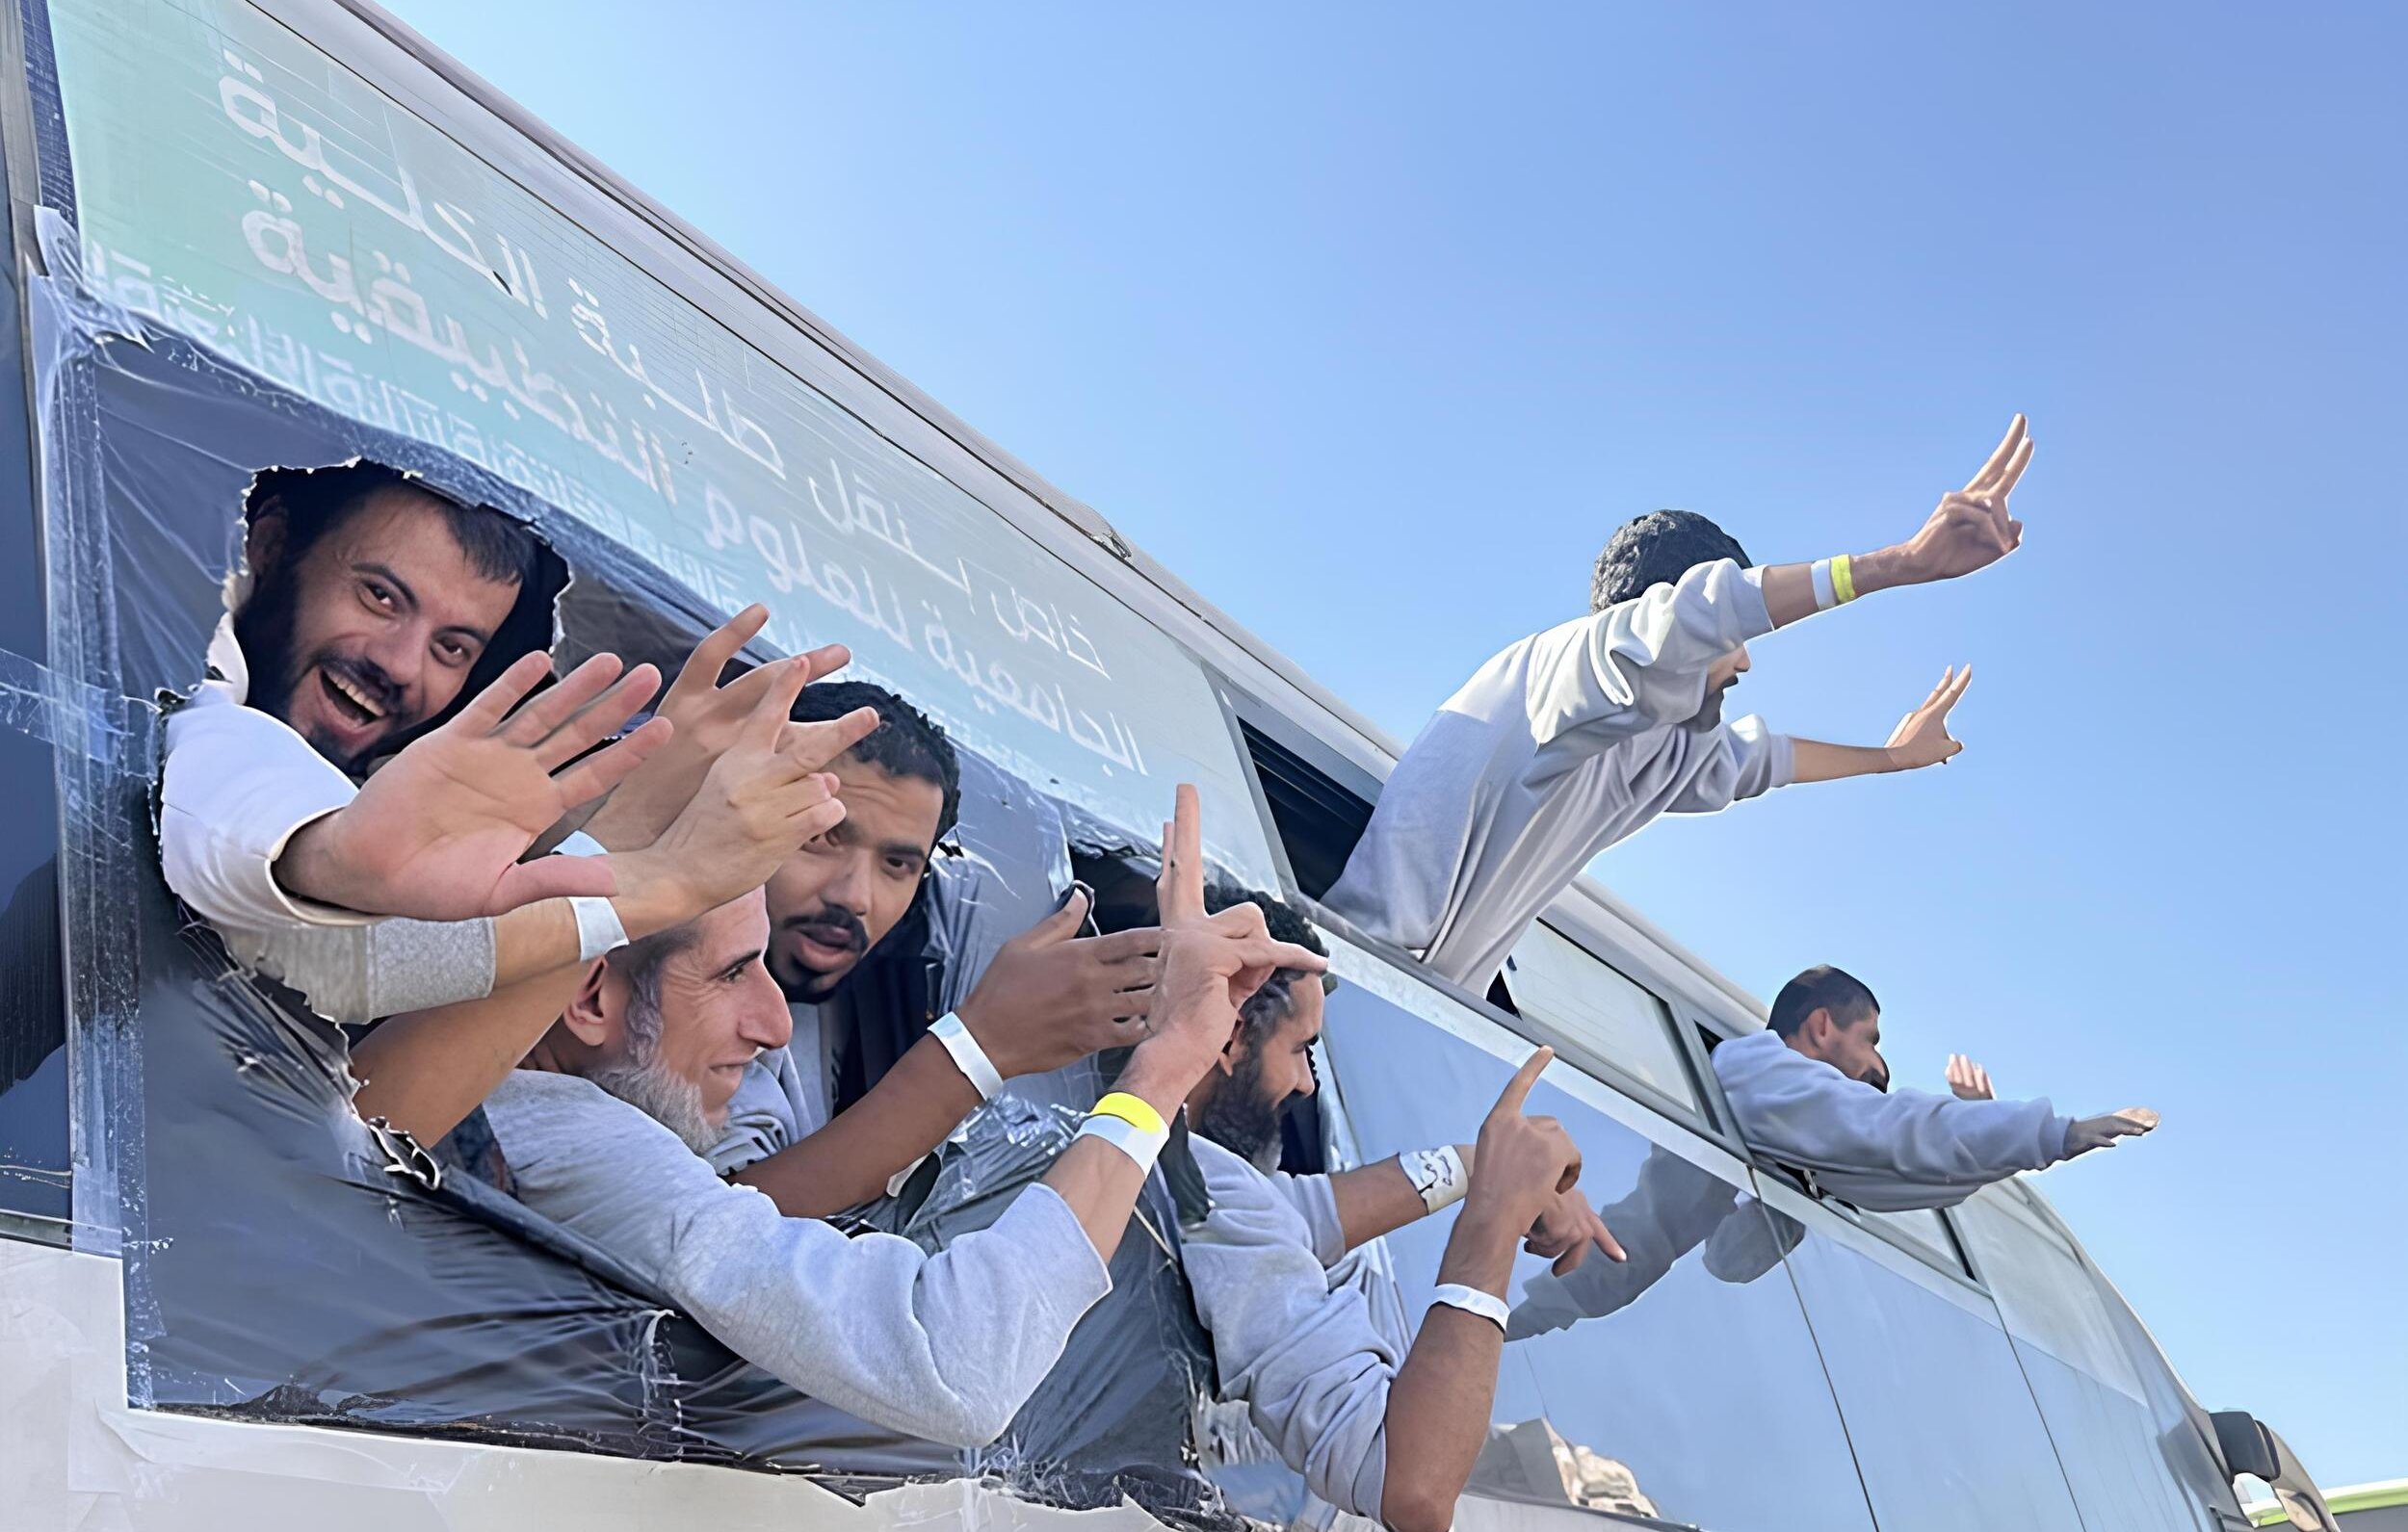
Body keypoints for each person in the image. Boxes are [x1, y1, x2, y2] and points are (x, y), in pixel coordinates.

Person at [474, 785, 1326, 1447]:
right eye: (735, 972)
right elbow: (956, 1361)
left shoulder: (561, 1116)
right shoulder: (574, 1140)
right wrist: (1158, 1075)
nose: (776, 1025)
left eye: (900, 862)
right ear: (589, 995)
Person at [1324, 416, 2039, 989]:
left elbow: (1761, 761)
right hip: (1357, 977)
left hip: (1417, 1003)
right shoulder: (1567, 666)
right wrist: (1899, 564)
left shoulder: (1661, 745)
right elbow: (1694, 617)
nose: (1747, 659)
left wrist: (1890, 758)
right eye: (1734, 639)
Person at [157, 460, 876, 1024]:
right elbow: (329, 931)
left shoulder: (394, 768)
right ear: (273, 546)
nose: (402, 664)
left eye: (453, 647)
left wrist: (653, 796)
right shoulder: (181, 688)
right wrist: (670, 881)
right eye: (380, 597)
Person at [1711, 964, 2159, 1211]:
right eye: (1870, 1041)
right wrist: (2052, 1134)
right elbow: (1892, 1130)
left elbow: (1905, 1182)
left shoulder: (1787, 1126)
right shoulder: (1758, 1069)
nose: (1881, 1067)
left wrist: (1986, 1124)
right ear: (1823, 1026)